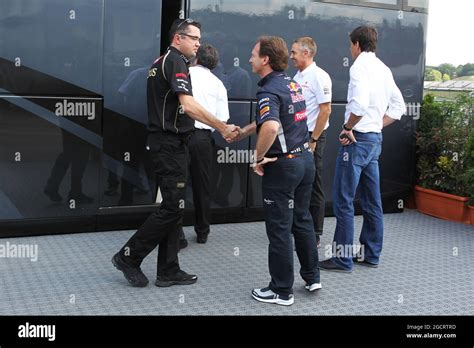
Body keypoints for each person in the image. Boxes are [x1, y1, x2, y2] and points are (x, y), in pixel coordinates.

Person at [112, 18, 239, 288]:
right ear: (178, 38)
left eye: (199, 40)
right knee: (171, 207)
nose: (198, 44)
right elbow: (189, 106)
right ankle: (128, 256)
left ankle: (168, 269)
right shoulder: (176, 61)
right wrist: (221, 126)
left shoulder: (162, 61)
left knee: (175, 207)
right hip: (169, 144)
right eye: (194, 38)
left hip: (170, 143)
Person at [235, 36, 321, 306]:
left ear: (265, 60)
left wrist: (257, 157)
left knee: (279, 229)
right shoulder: (292, 83)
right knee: (303, 220)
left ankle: (281, 291)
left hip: (283, 167)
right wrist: (245, 131)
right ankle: (312, 276)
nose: (249, 59)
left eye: (253, 54)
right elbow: (275, 119)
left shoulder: (267, 90)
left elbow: (271, 127)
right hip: (306, 160)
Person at [319, 26, 405, 273]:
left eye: (350, 44)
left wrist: (348, 127)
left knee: (344, 200)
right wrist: (376, 124)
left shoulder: (358, 67)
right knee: (372, 201)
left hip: (356, 140)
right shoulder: (384, 69)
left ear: (356, 44)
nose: (350, 49)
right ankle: (370, 254)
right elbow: (398, 107)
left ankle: (342, 258)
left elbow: (360, 104)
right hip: (374, 140)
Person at [178, 43, 230, 246]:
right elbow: (222, 121)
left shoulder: (183, 75)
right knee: (202, 185)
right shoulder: (218, 84)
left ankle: (177, 234)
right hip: (203, 139)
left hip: (180, 135)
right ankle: (202, 231)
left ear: (195, 59)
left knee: (177, 185)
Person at [291, 37, 332, 248]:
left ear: (306, 53)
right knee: (297, 181)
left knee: (313, 183)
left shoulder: (320, 76)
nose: (291, 56)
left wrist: (314, 139)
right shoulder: (297, 76)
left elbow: (325, 109)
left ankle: (315, 232)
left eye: (294, 52)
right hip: (296, 134)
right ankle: (298, 225)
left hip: (312, 136)